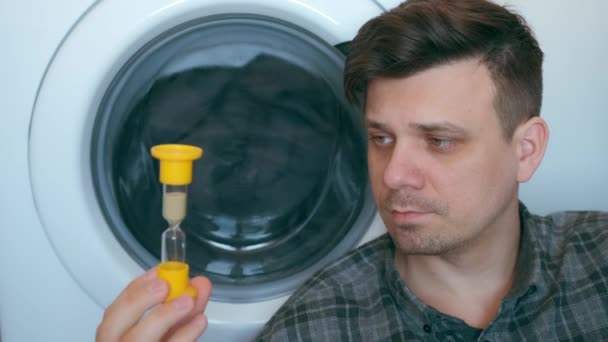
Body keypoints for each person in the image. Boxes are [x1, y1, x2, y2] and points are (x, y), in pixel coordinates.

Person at [98, 0, 608, 340]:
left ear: (526, 149)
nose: (393, 176)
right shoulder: (312, 328)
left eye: (440, 141)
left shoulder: (598, 263)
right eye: (380, 138)